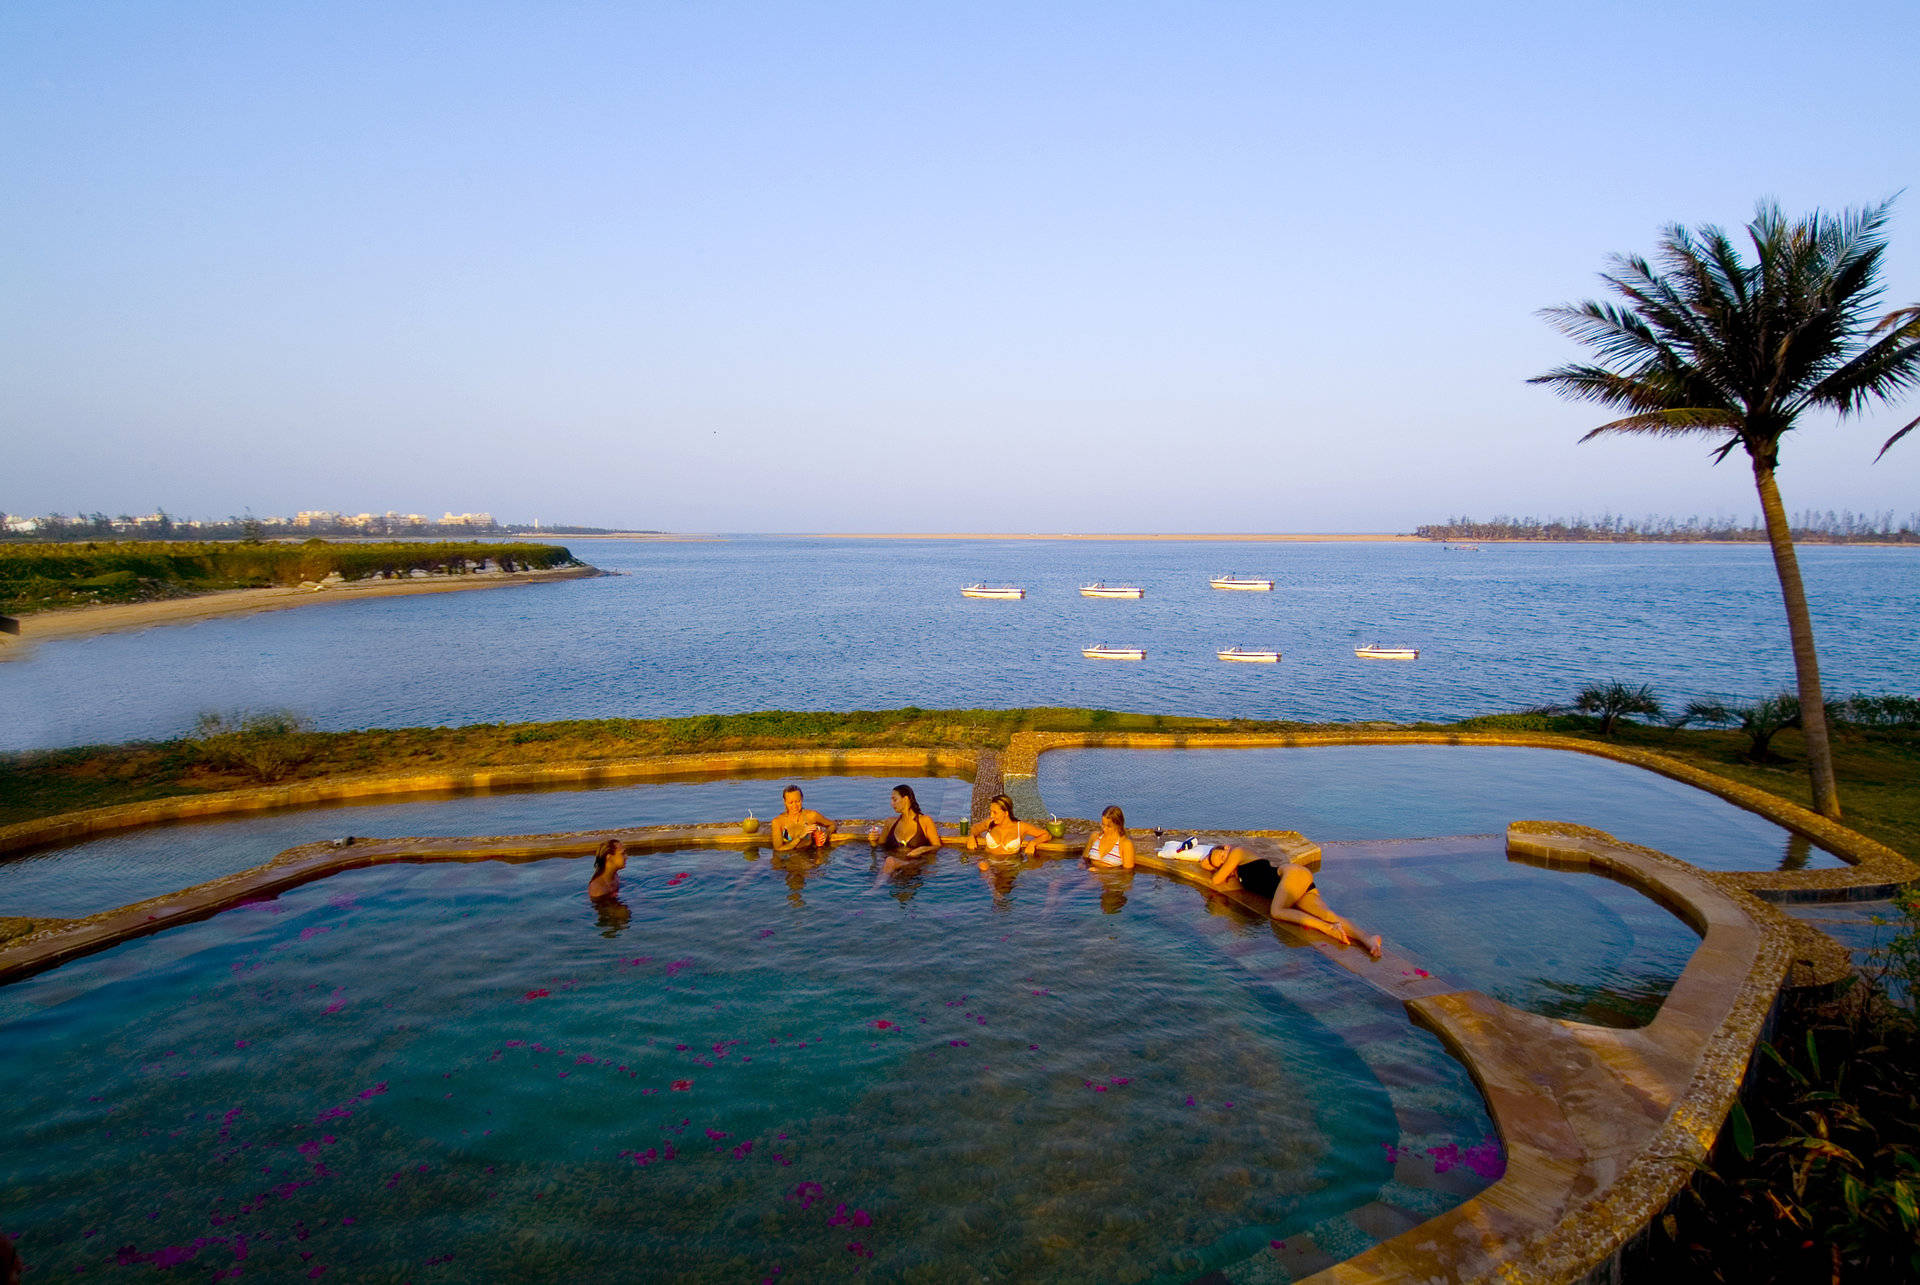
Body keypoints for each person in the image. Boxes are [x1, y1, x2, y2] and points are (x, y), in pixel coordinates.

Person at [1198, 844, 1382, 958]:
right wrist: (1209, 862)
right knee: (1328, 914)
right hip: (1293, 886)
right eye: (1220, 862)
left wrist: (1212, 861)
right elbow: (1207, 868)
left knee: (1276, 911)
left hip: (1291, 875)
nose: (1224, 860)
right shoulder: (1238, 874)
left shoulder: (1238, 852)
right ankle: (1369, 939)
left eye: (1222, 855)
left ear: (1226, 847)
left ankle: (1328, 928)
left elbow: (1215, 880)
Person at [868, 784, 943, 861]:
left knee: (890, 861)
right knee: (890, 860)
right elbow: (879, 848)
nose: (891, 803)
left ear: (906, 799)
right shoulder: (889, 822)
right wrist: (873, 842)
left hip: (915, 866)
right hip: (893, 865)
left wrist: (922, 849)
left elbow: (937, 846)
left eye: (894, 800)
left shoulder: (925, 821)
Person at [967, 793, 1051, 861]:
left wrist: (1033, 843)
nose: (991, 815)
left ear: (1006, 813)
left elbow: (1046, 835)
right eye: (991, 812)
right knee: (983, 867)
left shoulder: (1020, 827)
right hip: (989, 863)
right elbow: (976, 828)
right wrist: (971, 836)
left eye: (995, 812)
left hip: (1010, 866)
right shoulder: (990, 823)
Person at [770, 785, 835, 853]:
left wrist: (827, 833)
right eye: (790, 802)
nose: (795, 806)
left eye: (798, 801)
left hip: (808, 856)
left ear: (802, 799)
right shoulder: (778, 822)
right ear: (785, 801)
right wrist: (800, 836)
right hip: (787, 857)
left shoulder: (811, 816)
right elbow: (778, 849)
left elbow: (832, 824)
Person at [1082, 804, 1135, 869]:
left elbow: (1128, 873)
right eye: (1103, 824)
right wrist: (1081, 866)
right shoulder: (1095, 837)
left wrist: (1101, 872)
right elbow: (1084, 858)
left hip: (1111, 878)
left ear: (1118, 825)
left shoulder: (1125, 844)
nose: (1104, 829)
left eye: (1109, 826)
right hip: (1089, 877)